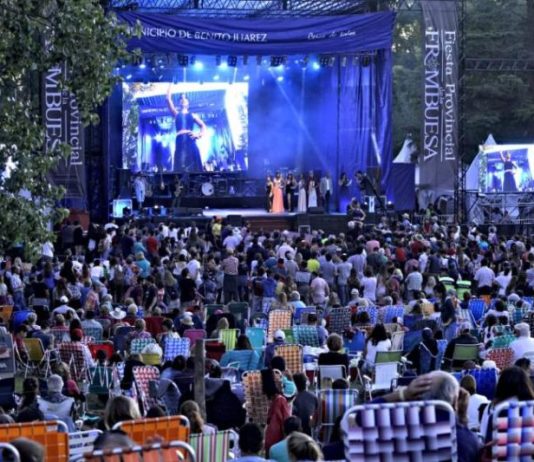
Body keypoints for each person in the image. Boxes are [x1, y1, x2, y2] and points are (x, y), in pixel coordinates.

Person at [378, 371, 481, 462]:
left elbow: (367, 414)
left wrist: (403, 394)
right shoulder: (469, 442)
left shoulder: (396, 430)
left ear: (417, 397)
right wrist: (462, 419)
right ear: (455, 401)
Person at [479, 366, 534, 443]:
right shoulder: (531, 408)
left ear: (501, 385)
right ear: (526, 384)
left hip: (500, 449)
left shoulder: (493, 408)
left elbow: (484, 437)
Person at [166, 86, 206, 172]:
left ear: (188, 103)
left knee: (194, 167)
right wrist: (171, 83)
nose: (183, 99)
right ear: (179, 102)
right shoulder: (176, 114)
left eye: (185, 98)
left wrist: (199, 135)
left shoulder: (193, 115)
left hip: (190, 140)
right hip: (180, 141)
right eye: (181, 98)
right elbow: (168, 99)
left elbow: (203, 125)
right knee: (180, 166)